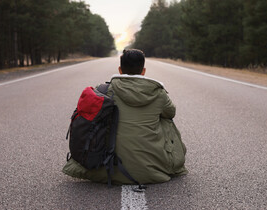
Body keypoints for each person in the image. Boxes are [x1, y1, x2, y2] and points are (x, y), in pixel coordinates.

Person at [63, 49, 188, 184]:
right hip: (150, 171)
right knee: (165, 118)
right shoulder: (158, 93)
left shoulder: (104, 90)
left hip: (107, 167)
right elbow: (171, 113)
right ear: (143, 71)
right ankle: (158, 160)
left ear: (120, 70)